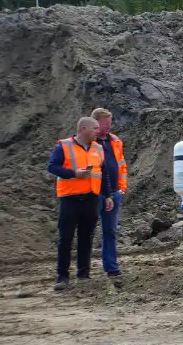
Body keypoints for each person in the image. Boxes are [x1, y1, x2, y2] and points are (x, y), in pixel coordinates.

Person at [47, 117, 113, 290]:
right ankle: (62, 277)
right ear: (83, 129)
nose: (98, 131)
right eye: (95, 128)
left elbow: (103, 173)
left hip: (91, 198)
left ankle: (83, 274)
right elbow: (52, 167)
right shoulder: (64, 146)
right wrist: (73, 173)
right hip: (69, 199)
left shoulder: (98, 148)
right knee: (66, 238)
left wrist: (107, 195)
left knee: (86, 238)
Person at [91, 108, 127, 288]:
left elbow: (121, 165)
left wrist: (122, 189)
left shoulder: (115, 141)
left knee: (110, 231)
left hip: (114, 192)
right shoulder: (89, 143)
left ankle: (111, 267)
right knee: (87, 231)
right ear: (96, 123)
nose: (109, 126)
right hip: (93, 193)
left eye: (109, 122)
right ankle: (84, 270)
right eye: (106, 123)